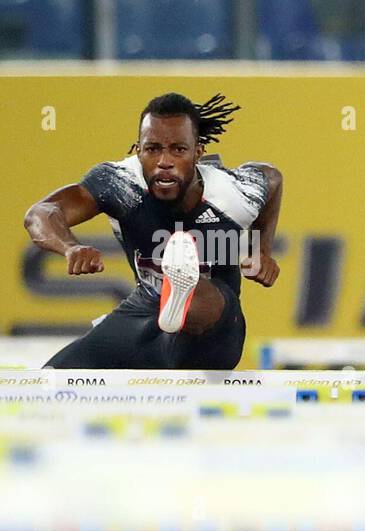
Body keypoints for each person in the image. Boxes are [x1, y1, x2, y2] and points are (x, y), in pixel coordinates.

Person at [26, 92, 283, 369]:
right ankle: (173, 297)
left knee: (201, 298)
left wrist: (260, 250)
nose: (164, 161)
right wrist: (70, 247)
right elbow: (40, 214)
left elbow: (272, 179)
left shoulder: (230, 193)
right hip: (145, 312)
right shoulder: (122, 184)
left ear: (198, 152)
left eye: (178, 150)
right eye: (153, 149)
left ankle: (183, 293)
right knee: (50, 381)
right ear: (138, 151)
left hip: (214, 331)